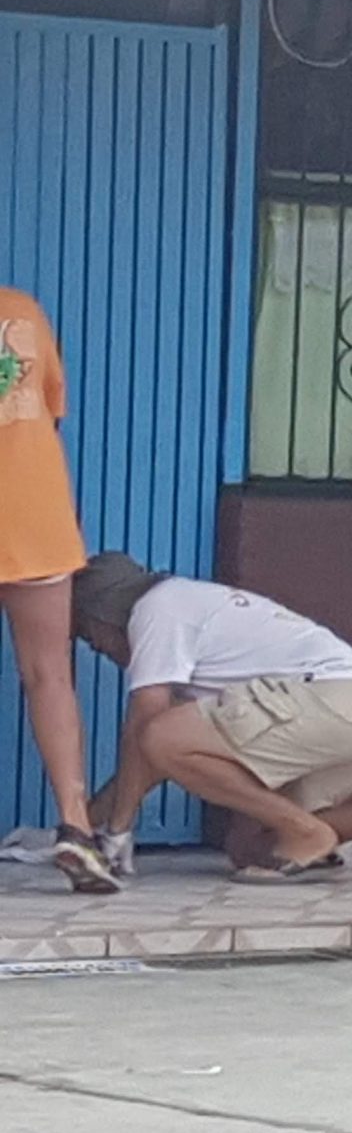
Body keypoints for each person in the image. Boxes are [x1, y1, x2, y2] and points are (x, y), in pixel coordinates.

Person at [72, 554, 352, 889]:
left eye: (88, 635)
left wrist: (117, 831)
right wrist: (82, 827)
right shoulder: (191, 607)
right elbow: (148, 763)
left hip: (331, 699)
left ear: (103, 614)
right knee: (251, 848)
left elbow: (145, 733)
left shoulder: (156, 611)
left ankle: (307, 832)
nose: (96, 649)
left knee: (159, 734)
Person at [0, 286, 114, 891]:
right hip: (34, 511)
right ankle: (77, 827)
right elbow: (50, 407)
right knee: (49, 674)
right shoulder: (21, 309)